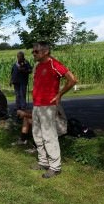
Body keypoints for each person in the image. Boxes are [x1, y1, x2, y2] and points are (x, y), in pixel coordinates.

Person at [30, 41, 77, 179]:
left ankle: (55, 167)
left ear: (45, 52)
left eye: (36, 51)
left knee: (49, 136)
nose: (33, 53)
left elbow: (72, 80)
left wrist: (59, 94)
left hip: (47, 106)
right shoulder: (38, 66)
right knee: (37, 135)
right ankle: (43, 162)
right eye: (33, 51)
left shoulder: (54, 64)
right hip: (37, 105)